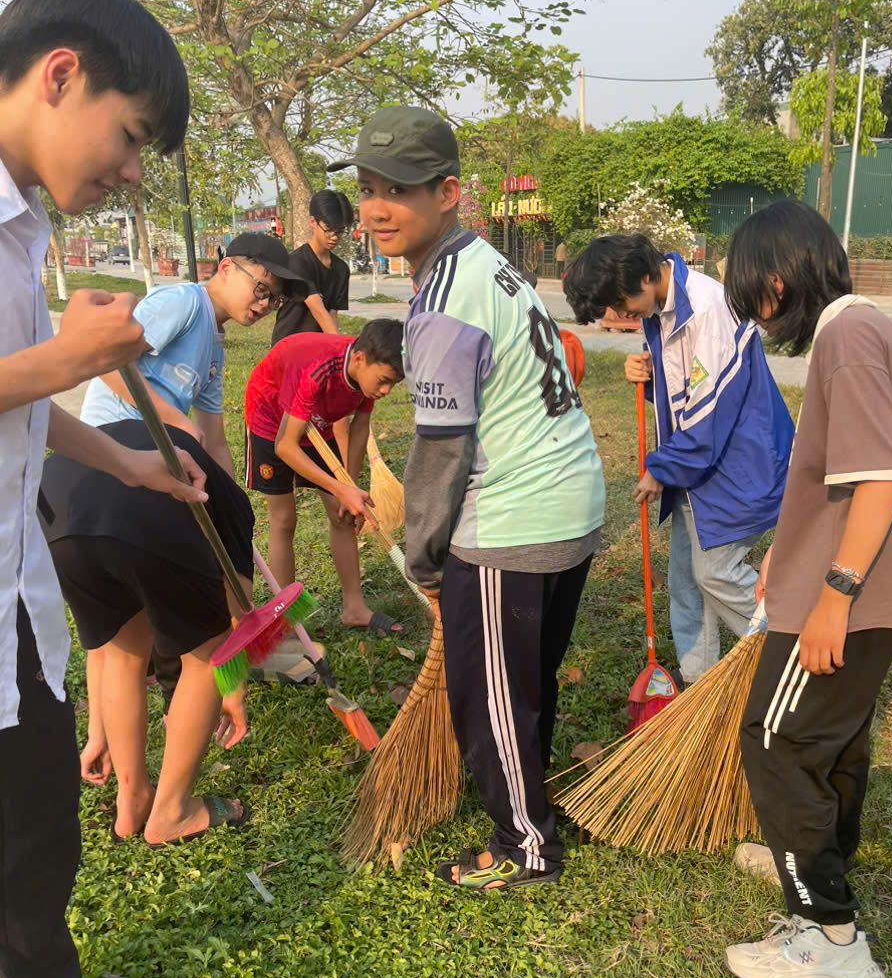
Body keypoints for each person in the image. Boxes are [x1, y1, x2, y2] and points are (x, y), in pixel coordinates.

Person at [0, 0, 208, 978]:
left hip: (18, 573)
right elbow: (34, 372)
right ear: (60, 73)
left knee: (29, 798)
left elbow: (16, 387)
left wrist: (125, 457)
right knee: (34, 820)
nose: (130, 170)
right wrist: (72, 359)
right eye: (129, 137)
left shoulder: (21, 223)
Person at [328, 107, 605, 890]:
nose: (378, 209)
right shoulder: (486, 263)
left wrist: (421, 555)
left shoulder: (444, 298)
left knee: (488, 701)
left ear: (448, 192)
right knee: (524, 680)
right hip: (568, 499)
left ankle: (524, 843)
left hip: (514, 518)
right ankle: (531, 797)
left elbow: (442, 450)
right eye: (369, 190)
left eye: (401, 192)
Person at [722, 201, 892, 978]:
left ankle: (827, 933)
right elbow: (846, 475)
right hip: (876, 588)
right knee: (835, 744)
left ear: (777, 284)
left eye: (755, 305)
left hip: (853, 590)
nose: (759, 322)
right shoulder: (871, 326)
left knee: (777, 742)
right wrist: (788, 546)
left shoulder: (845, 338)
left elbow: (882, 477)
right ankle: (812, 857)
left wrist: (833, 592)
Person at [564, 234, 794, 687]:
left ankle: (793, 646)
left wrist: (661, 470)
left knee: (715, 573)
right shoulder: (663, 308)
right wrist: (648, 379)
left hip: (740, 468)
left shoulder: (709, 310)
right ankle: (699, 684)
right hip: (699, 474)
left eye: (621, 300)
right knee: (687, 582)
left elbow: (709, 414)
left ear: (648, 275)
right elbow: (685, 391)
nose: (620, 314)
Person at [41, 422, 254, 846]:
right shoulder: (237, 511)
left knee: (124, 651)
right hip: (138, 511)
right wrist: (235, 689)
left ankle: (132, 800)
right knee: (204, 654)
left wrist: (97, 733)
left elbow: (100, 650)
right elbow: (237, 623)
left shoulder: (149, 444)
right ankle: (172, 814)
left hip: (56, 517)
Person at [81, 231, 308, 475]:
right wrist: (177, 421)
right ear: (226, 268)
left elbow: (214, 443)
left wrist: (233, 502)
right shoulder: (184, 302)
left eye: (274, 299)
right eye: (262, 289)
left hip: (149, 452)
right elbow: (105, 360)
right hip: (110, 439)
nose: (265, 304)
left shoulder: (214, 350)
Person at [244, 318, 405, 635]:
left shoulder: (366, 375)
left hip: (314, 423)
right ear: (360, 359)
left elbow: (359, 430)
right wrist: (340, 488)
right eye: (384, 380)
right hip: (271, 420)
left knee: (343, 515)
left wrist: (349, 488)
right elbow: (285, 447)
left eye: (394, 384)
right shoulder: (317, 369)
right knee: (284, 519)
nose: (386, 390)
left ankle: (355, 608)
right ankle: (283, 618)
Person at [271, 189, 354, 344]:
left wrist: (334, 350)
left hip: (317, 347)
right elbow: (318, 310)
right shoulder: (296, 262)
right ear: (312, 222)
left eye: (340, 231)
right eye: (329, 231)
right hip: (288, 346)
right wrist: (342, 349)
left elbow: (332, 314)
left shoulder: (341, 269)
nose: (335, 237)